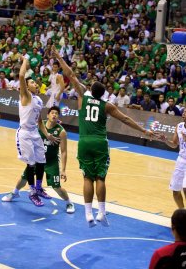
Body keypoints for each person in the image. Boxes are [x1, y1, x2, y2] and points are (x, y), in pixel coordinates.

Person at [52, 45, 155, 227]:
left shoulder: (83, 97)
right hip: (100, 142)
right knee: (100, 178)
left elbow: (72, 75)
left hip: (84, 142)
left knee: (87, 178)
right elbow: (125, 119)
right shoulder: (106, 105)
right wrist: (144, 131)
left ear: (91, 89)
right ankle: (101, 212)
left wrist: (59, 58)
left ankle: (88, 214)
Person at [2, 106, 75, 213]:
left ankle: (69, 203)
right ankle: (14, 193)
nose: (54, 115)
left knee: (56, 186)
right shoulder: (39, 125)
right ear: (48, 115)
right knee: (24, 177)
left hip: (51, 162)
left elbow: (64, 151)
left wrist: (63, 170)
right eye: (52, 113)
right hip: (37, 159)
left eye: (56, 113)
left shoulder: (61, 131)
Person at [16, 57, 60, 207]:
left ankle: (39, 187)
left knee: (42, 160)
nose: (35, 84)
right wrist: (25, 61)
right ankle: (32, 191)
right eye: (32, 82)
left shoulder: (39, 101)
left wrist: (47, 134)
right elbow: (21, 76)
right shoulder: (26, 96)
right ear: (27, 87)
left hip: (35, 132)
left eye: (35, 82)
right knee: (31, 163)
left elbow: (39, 121)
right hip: (25, 133)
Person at [161, 111, 186, 208]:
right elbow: (174, 144)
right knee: (175, 191)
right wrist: (165, 140)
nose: (184, 114)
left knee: (185, 189)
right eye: (184, 112)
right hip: (181, 161)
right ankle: (182, 213)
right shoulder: (179, 126)